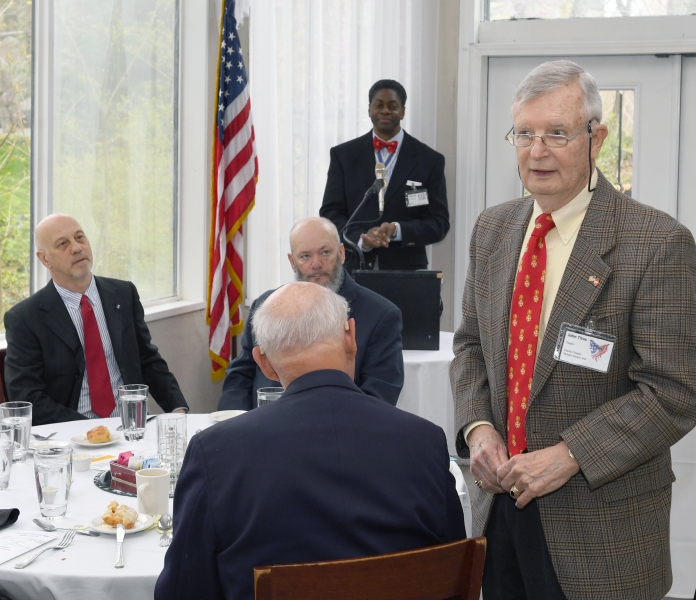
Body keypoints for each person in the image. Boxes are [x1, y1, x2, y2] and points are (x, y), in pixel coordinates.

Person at [450, 60, 696, 600]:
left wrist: (569, 455)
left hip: (601, 531)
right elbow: (470, 344)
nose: (537, 151)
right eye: (524, 133)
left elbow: (674, 392)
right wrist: (478, 428)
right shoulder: (492, 229)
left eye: (557, 133)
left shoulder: (655, 242)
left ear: (597, 138)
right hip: (499, 515)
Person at [157, 282, 465, 600]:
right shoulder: (425, 441)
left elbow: (183, 590)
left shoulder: (215, 453)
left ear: (263, 362)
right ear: (350, 338)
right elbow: (453, 571)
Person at [4, 214, 188, 425]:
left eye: (79, 237)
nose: (76, 248)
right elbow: (28, 398)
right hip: (72, 433)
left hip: (132, 427)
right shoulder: (25, 319)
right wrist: (93, 430)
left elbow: (147, 359)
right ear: (44, 259)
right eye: (63, 244)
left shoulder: (123, 294)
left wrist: (177, 408)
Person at [218, 217, 404, 410]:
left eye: (325, 252)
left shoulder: (381, 315)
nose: (316, 264)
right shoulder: (266, 306)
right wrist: (235, 420)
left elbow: (378, 399)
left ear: (341, 253)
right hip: (262, 422)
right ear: (292, 262)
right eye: (305, 256)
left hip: (339, 426)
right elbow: (241, 375)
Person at [320, 79, 449, 271]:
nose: (385, 111)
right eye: (379, 105)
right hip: (354, 268)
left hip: (406, 272)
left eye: (393, 106)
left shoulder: (429, 160)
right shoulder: (343, 155)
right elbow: (330, 214)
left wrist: (397, 230)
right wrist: (361, 239)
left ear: (403, 111)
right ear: (369, 110)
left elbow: (439, 223)